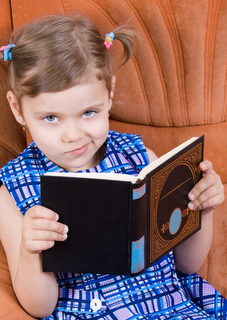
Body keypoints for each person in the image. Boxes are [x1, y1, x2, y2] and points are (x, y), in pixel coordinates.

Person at [0, 14, 226, 320]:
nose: (73, 135)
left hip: (169, 307)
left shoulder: (140, 158)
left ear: (109, 95)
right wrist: (30, 252)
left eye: (89, 112)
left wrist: (203, 211)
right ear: (18, 109)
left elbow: (186, 266)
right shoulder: (13, 189)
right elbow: (39, 307)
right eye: (50, 118)